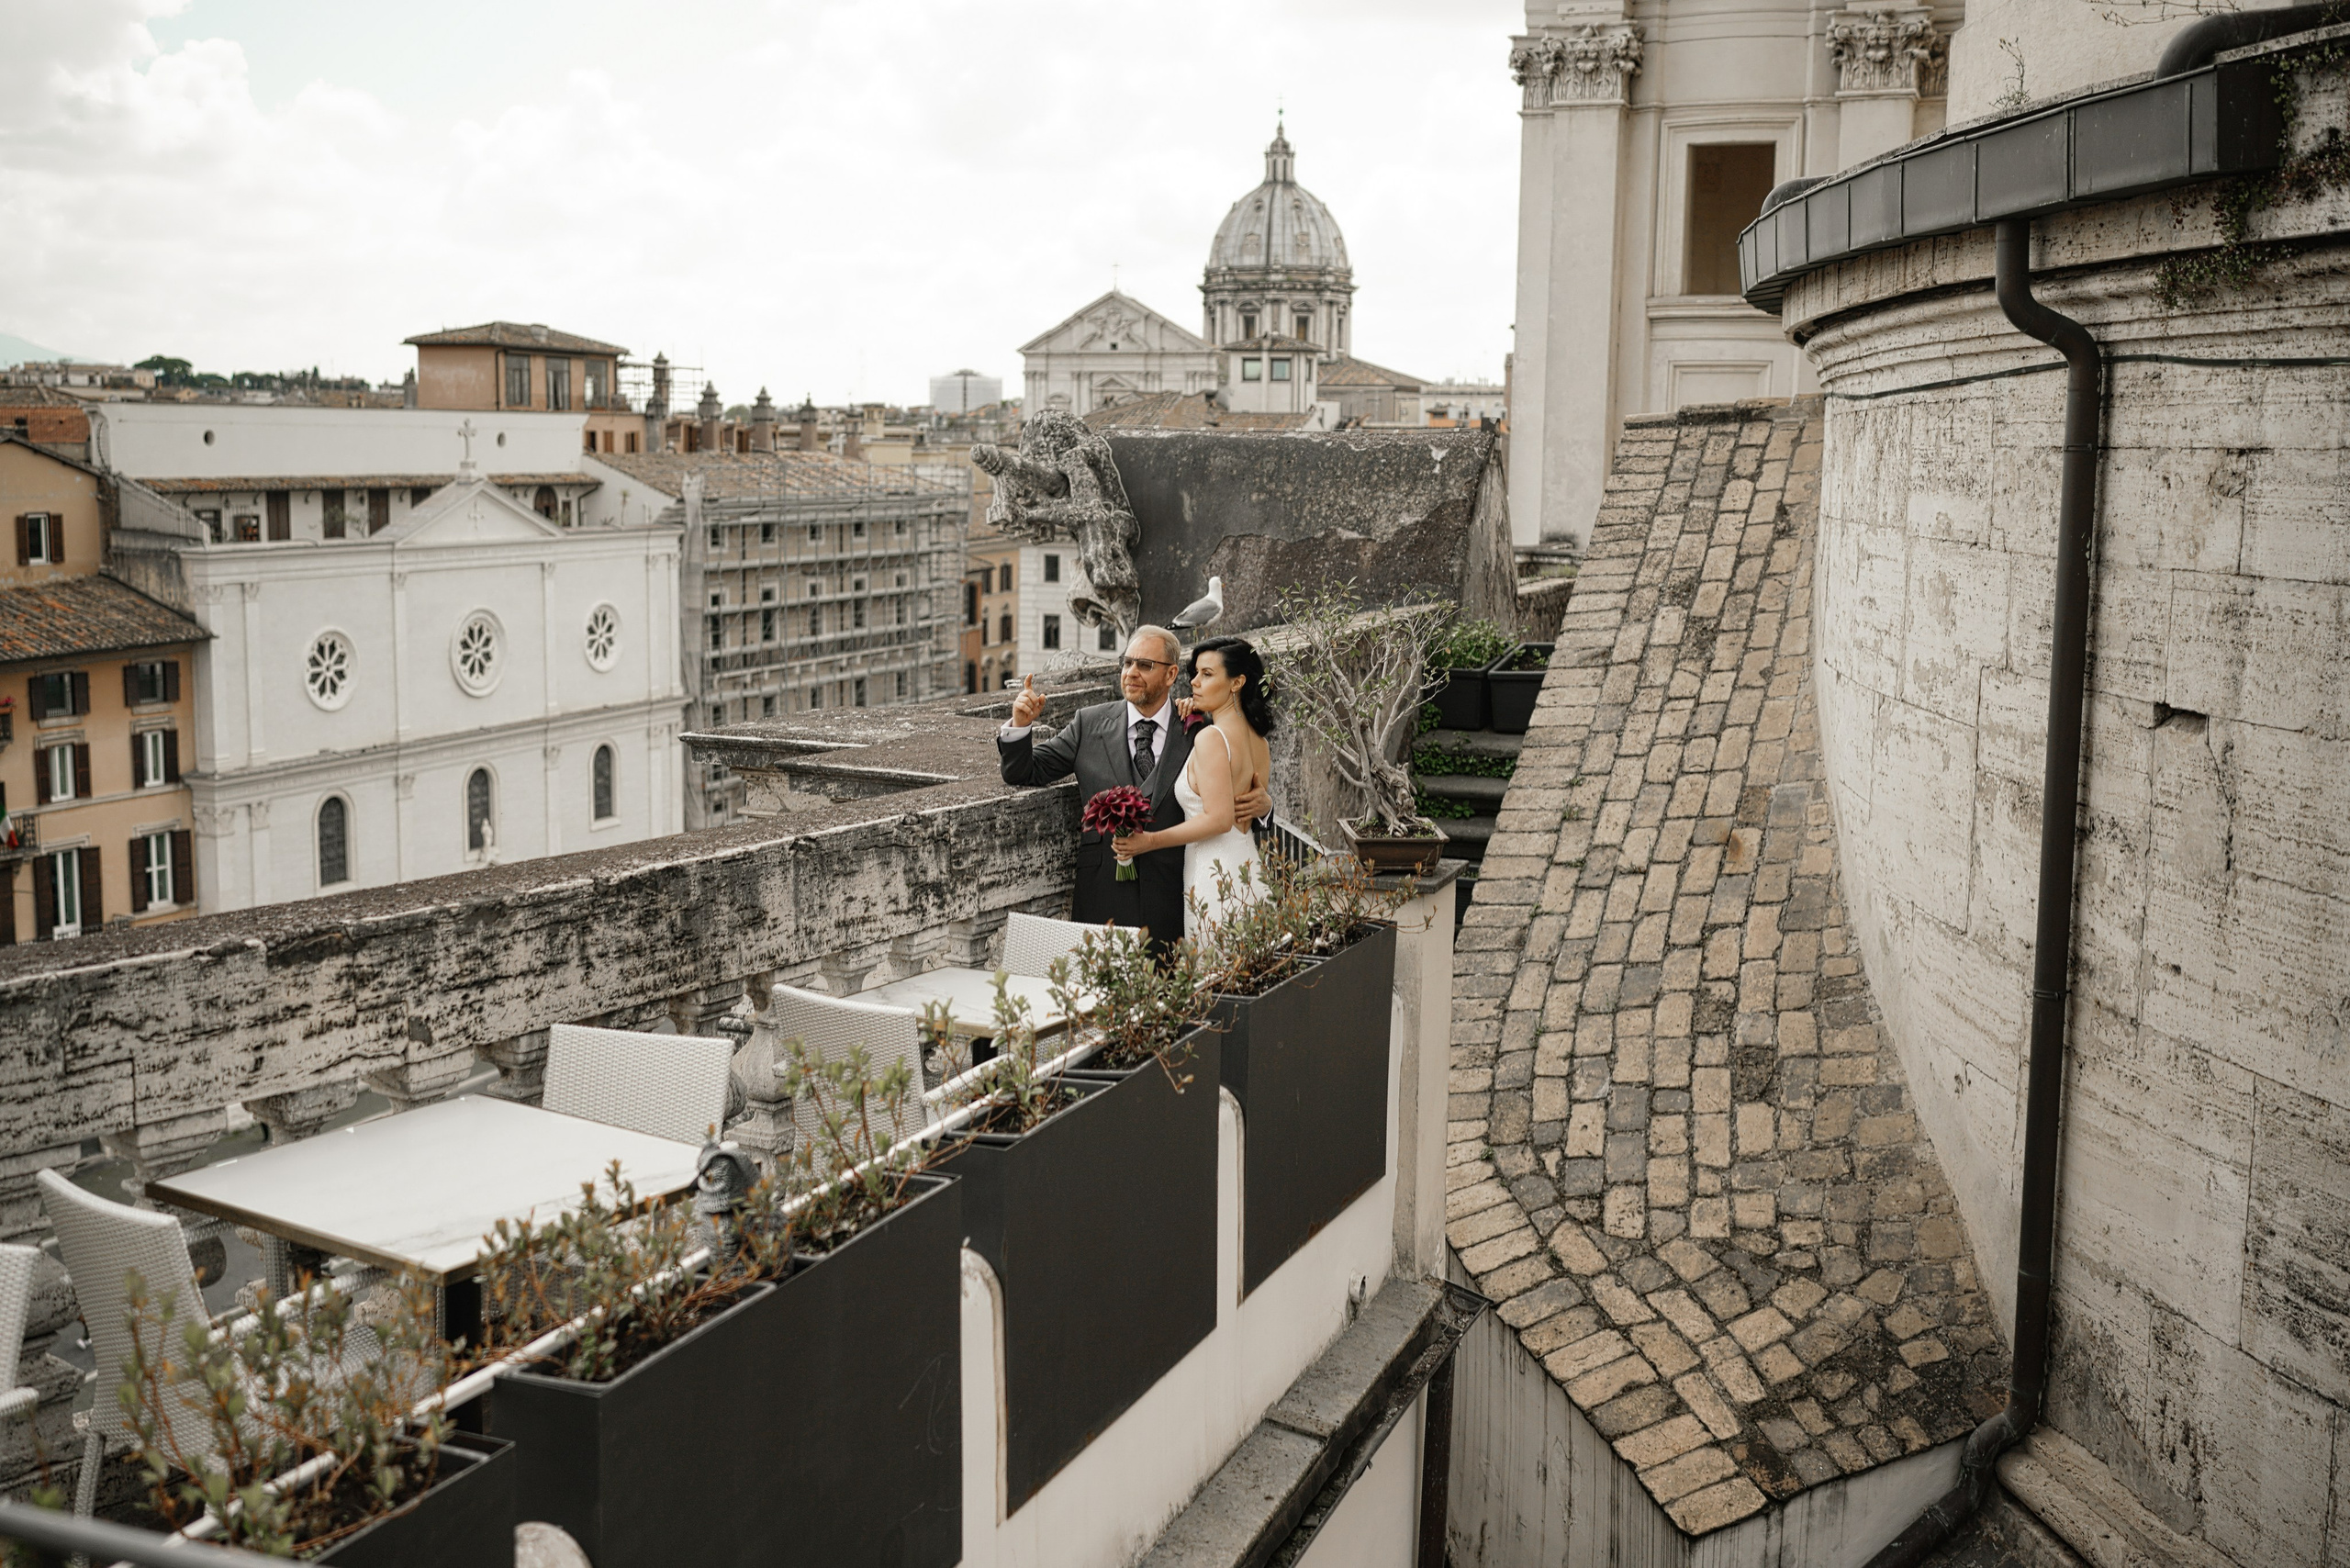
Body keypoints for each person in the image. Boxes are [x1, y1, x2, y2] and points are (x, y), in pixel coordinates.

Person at [999, 625, 1270, 947]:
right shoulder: (1088, 723)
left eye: (1144, 665)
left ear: (1171, 675)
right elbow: (1024, 771)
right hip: (1103, 897)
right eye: (1127, 663)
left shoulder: (1201, 728)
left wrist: (1265, 809)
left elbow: (1231, 807)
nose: (1131, 673)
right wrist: (1020, 723)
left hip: (1179, 898)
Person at [1109, 636, 1273, 937]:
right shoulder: (1260, 742)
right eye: (1195, 673)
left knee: (1215, 976)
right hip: (1249, 871)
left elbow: (1220, 819)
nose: (1194, 682)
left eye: (1207, 674)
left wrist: (1149, 841)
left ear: (1236, 683)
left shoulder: (1211, 738)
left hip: (1214, 876)